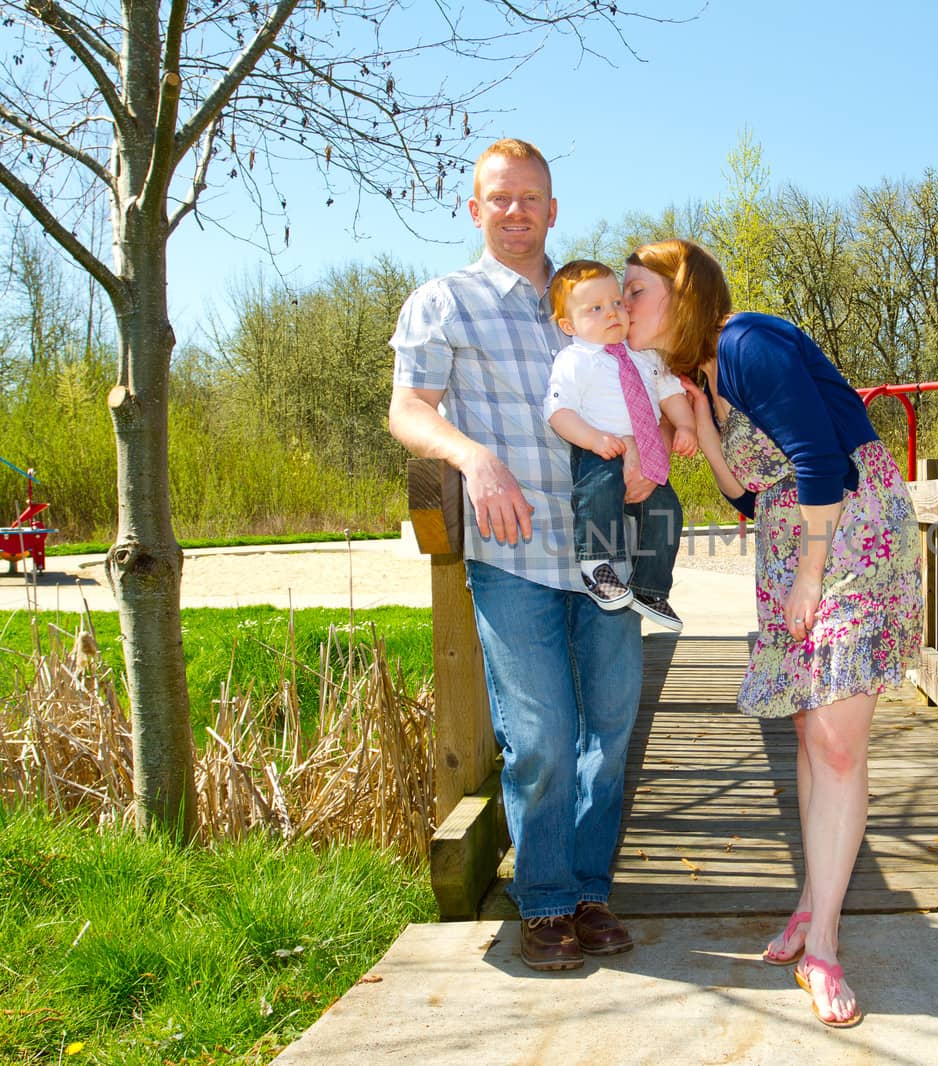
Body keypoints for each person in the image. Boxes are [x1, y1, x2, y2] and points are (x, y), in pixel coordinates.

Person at [622, 239, 923, 1028]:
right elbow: (744, 496)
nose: (623, 306)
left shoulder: (748, 342)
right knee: (808, 729)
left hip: (851, 533)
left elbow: (823, 461)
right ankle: (809, 908)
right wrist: (694, 419)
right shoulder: (705, 376)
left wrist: (812, 575)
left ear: (683, 294)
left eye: (636, 291)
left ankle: (823, 941)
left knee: (837, 742)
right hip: (791, 537)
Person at [387, 139, 649, 972]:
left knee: (608, 730)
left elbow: (648, 378)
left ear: (553, 208)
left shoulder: (592, 299)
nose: (515, 211)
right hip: (517, 553)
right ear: (475, 208)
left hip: (607, 549)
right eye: (499, 198)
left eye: (530, 197)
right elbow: (408, 409)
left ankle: (588, 890)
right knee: (541, 733)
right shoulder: (445, 302)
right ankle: (542, 901)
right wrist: (473, 458)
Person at [544, 259, 696, 631]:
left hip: (646, 457)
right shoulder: (574, 359)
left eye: (615, 302)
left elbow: (671, 393)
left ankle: (650, 587)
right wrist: (595, 439)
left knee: (666, 512)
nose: (612, 312)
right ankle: (596, 564)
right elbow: (558, 411)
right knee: (599, 493)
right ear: (569, 325)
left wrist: (686, 425)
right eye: (595, 309)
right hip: (601, 450)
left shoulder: (645, 355)